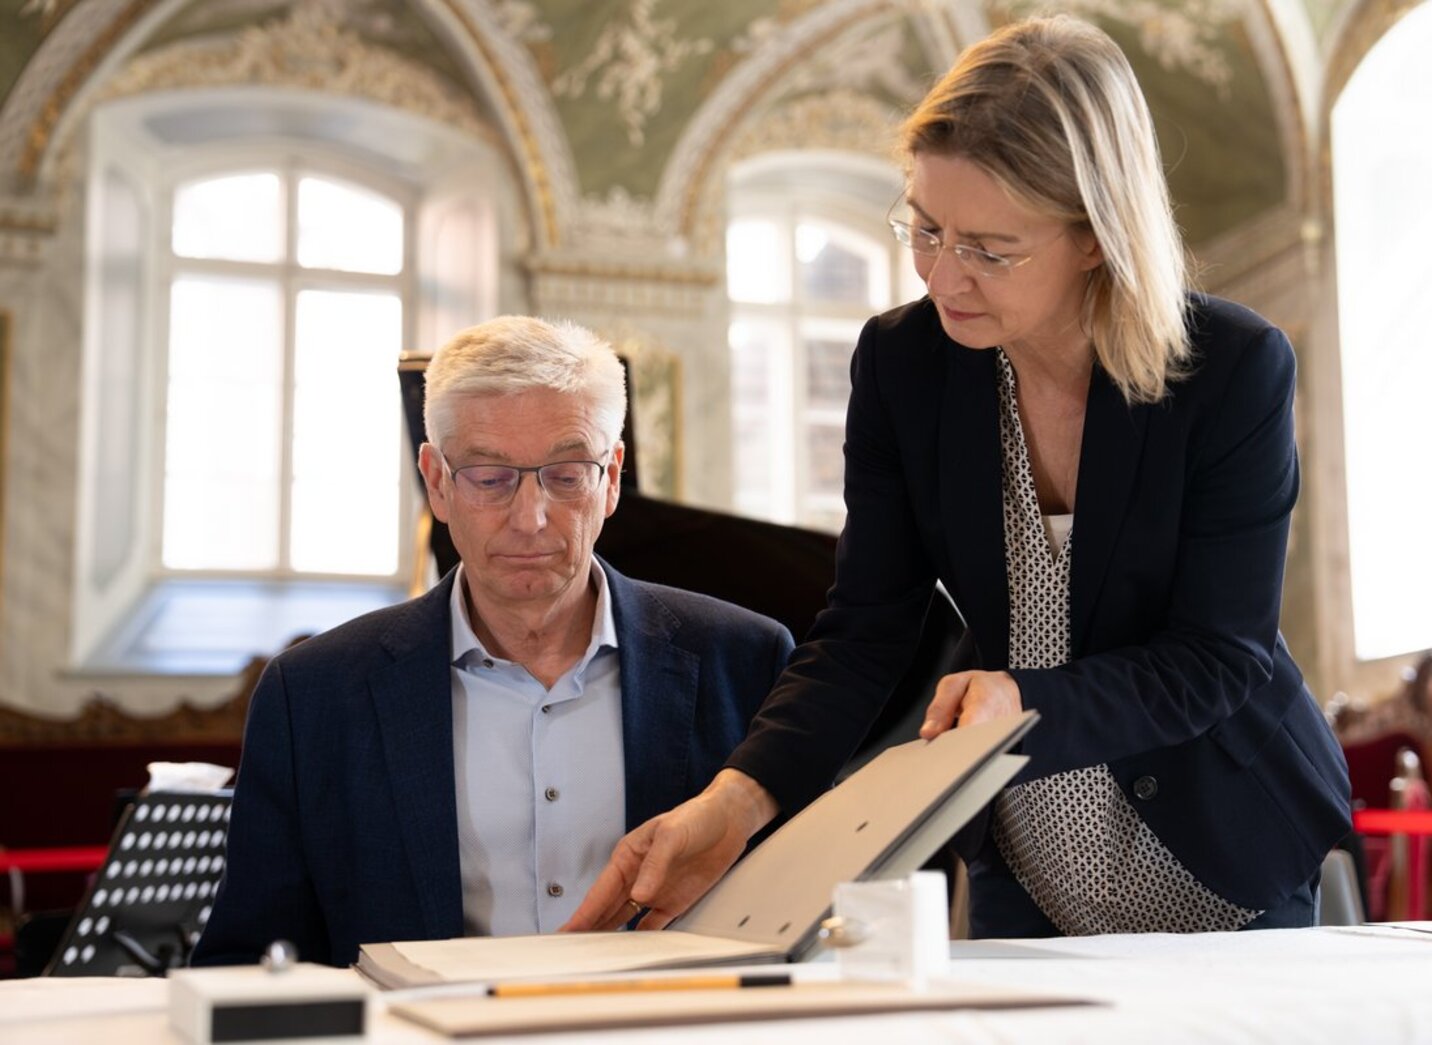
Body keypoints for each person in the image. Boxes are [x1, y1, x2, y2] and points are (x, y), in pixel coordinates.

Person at [567, 14, 1350, 939]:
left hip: (1226, 835)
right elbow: (866, 632)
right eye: (925, 228)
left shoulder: (1232, 366)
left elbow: (1218, 656)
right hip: (1030, 856)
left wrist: (1023, 698)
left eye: (990, 248)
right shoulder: (903, 364)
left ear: (1097, 235)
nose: (943, 278)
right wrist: (733, 803)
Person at [193, 316, 794, 966]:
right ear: (436, 481)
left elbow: (799, 918)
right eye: (489, 477)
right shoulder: (311, 694)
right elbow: (250, 966)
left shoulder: (747, 661)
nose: (530, 518)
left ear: (613, 478)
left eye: (567, 474)